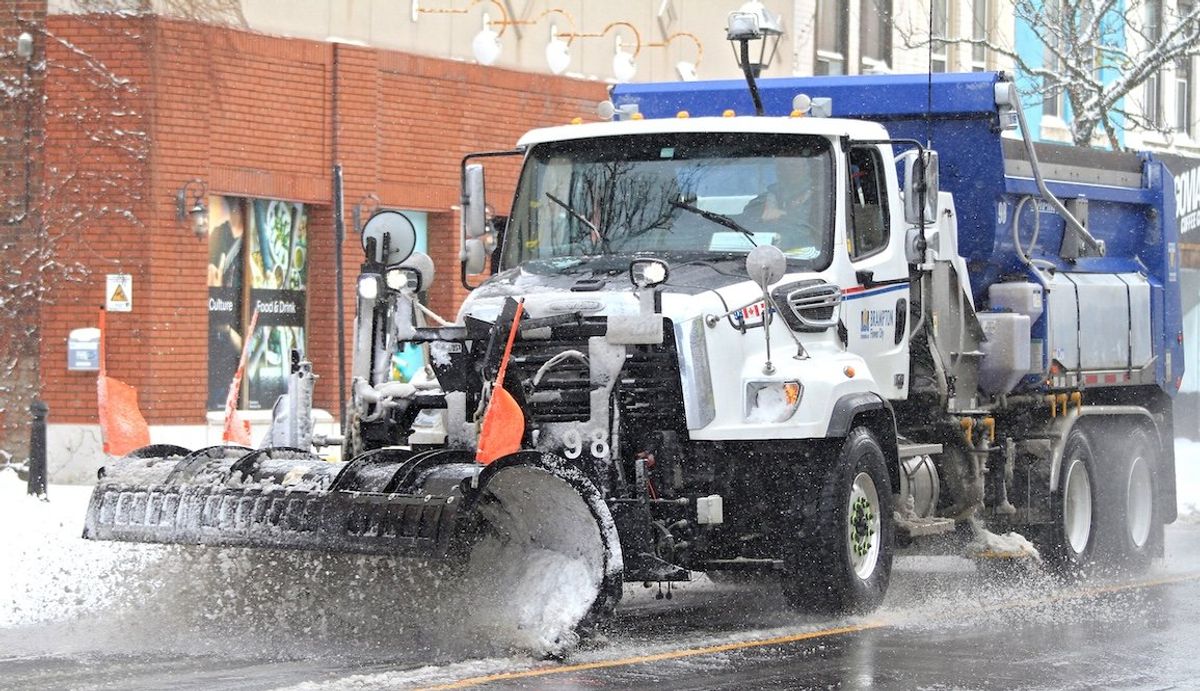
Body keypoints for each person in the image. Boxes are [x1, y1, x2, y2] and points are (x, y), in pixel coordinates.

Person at [741, 157, 820, 251]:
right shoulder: (766, 198)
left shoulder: (821, 199)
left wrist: (783, 217)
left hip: (807, 258)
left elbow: (819, 233)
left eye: (792, 165)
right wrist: (762, 215)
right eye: (781, 166)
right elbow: (744, 221)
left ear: (806, 168)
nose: (786, 170)